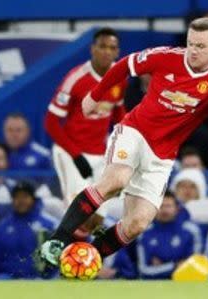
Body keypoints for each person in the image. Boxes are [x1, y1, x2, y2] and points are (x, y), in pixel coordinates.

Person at [39, 17, 208, 269]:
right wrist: (95, 95)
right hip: (135, 131)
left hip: (163, 154)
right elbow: (124, 65)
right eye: (190, 44)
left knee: (137, 223)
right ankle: (56, 241)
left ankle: (86, 259)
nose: (193, 51)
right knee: (115, 181)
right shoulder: (166, 56)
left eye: (200, 46)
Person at [44, 27, 127, 236]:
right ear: (92, 49)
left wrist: (126, 141)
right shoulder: (76, 79)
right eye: (102, 46)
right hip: (70, 151)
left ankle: (84, 261)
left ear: (117, 52)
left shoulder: (120, 77)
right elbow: (51, 122)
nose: (107, 51)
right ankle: (59, 254)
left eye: (112, 48)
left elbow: (118, 112)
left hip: (100, 153)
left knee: (98, 218)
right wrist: (75, 155)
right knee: (78, 214)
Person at [0, 182, 57, 279]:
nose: (21, 201)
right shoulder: (1, 227)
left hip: (38, 282)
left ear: (33, 199)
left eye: (25, 196)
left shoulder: (49, 225)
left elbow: (55, 263)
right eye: (17, 197)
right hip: (7, 283)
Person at [136, 191, 202, 279]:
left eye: (168, 206)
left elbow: (195, 266)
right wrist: (174, 266)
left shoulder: (191, 231)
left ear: (177, 208)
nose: (164, 210)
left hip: (185, 284)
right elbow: (143, 270)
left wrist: (160, 267)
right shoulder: (144, 233)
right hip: (154, 287)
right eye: (160, 206)